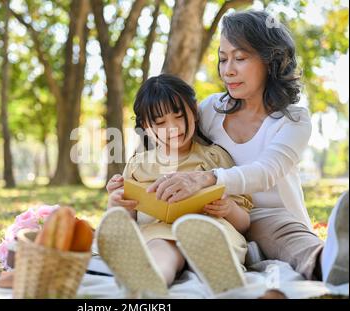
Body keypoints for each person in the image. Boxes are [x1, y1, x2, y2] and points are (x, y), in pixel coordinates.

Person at [107, 10, 348, 286]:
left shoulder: (293, 120)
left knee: (295, 245)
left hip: (266, 217)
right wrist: (132, 188)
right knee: (170, 241)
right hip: (206, 217)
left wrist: (207, 179)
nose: (228, 70)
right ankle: (156, 274)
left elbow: (265, 172)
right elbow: (171, 137)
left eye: (240, 58)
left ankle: (333, 262)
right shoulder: (210, 109)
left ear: (271, 61)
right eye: (223, 59)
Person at [97, 74, 253, 297]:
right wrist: (117, 202)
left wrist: (229, 209)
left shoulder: (214, 159)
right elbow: (127, 221)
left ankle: (222, 275)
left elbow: (245, 222)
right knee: (160, 249)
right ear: (145, 126)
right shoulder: (137, 166)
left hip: (212, 230)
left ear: (194, 110)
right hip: (160, 232)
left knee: (213, 240)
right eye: (160, 123)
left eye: (179, 116)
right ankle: (150, 283)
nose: (172, 128)